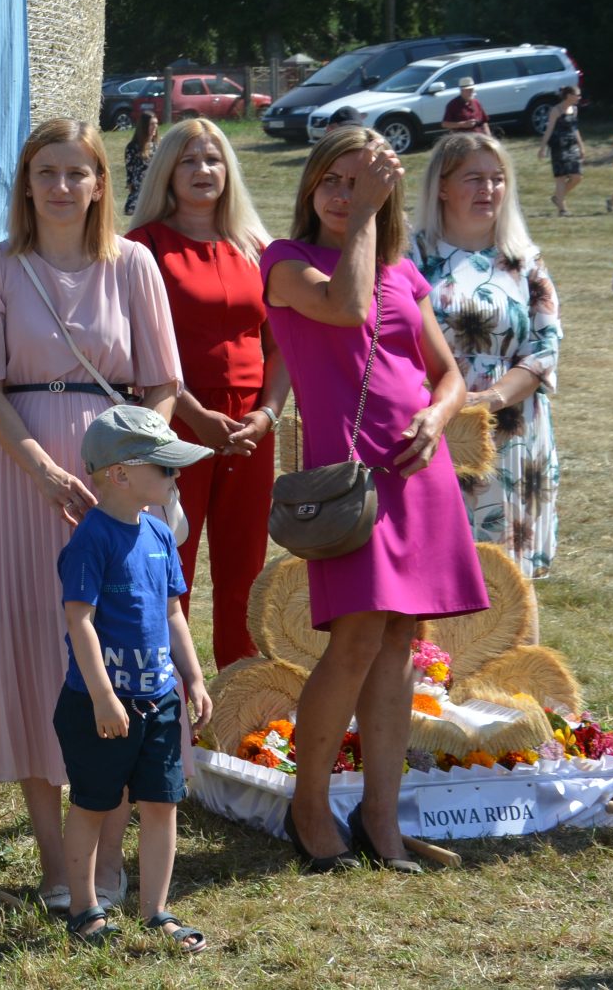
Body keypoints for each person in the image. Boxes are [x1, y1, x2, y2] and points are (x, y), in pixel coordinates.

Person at [0, 118, 179, 916]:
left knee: (118, 644)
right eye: (45, 171)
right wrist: (45, 470)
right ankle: (56, 861)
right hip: (23, 479)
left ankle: (109, 860)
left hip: (117, 480)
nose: (60, 185)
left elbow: (163, 383)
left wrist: (130, 469)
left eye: (76, 171)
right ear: (25, 181)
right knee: (33, 649)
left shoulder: (134, 263)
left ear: (98, 183)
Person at [262, 126, 485, 871]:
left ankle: (381, 817)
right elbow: (348, 307)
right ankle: (308, 806)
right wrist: (366, 211)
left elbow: (449, 374)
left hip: (418, 469)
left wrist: (438, 416)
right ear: (310, 186)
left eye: (358, 181)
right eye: (333, 179)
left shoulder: (402, 271)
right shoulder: (285, 262)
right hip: (348, 484)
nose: (343, 194)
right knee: (356, 639)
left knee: (398, 644)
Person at [124, 118, 289, 664]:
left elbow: (279, 346)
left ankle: (242, 694)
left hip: (250, 426)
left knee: (245, 567)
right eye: (189, 160)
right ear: (166, 171)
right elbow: (133, 347)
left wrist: (268, 414)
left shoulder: (257, 248)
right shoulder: (142, 247)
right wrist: (194, 414)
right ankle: (166, 694)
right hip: (172, 420)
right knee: (171, 560)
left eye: (213, 159)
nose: (202, 170)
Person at [54, 407, 215, 953]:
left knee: (162, 803)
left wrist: (193, 678)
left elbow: (173, 613)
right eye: (165, 468)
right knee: (94, 803)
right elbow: (79, 621)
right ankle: (84, 909)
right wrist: (103, 696)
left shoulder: (161, 534)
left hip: (158, 700)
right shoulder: (91, 540)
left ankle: (156, 911)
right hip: (99, 704)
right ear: (120, 474)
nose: (175, 476)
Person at [412, 134, 564, 577]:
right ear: (442, 186)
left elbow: (545, 348)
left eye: (498, 179)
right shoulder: (411, 257)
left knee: (506, 579)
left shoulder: (524, 261)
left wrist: (490, 398)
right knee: (435, 570)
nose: (489, 189)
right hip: (431, 424)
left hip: (512, 429)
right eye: (474, 178)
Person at [540, 85, 585, 216]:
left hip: (571, 146)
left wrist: (581, 146)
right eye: (577, 95)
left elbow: (575, 129)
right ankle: (562, 209)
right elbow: (548, 130)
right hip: (558, 146)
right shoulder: (556, 110)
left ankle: (557, 197)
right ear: (569, 96)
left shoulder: (574, 109)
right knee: (561, 177)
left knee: (577, 177)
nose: (579, 97)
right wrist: (542, 148)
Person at [122, 105, 159, 212]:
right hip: (140, 191)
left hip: (156, 189)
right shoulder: (132, 147)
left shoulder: (158, 146)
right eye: (151, 124)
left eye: (156, 124)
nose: (155, 127)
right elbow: (129, 173)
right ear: (144, 126)